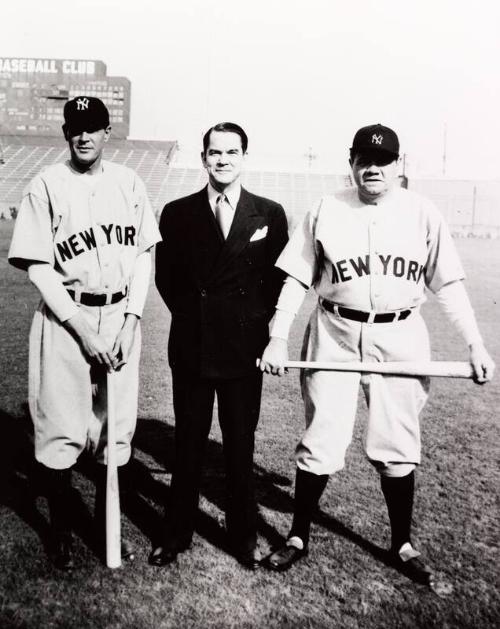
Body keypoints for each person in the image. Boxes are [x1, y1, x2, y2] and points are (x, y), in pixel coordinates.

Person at [258, 124, 495, 584]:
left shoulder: (422, 213)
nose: (373, 168)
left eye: (383, 161)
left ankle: (402, 543)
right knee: (321, 438)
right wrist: (277, 336)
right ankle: (298, 536)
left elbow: (447, 285)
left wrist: (475, 343)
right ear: (351, 162)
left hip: (401, 334)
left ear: (397, 165)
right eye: (365, 159)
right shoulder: (327, 208)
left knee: (397, 441)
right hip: (336, 330)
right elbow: (296, 279)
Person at [8, 96, 161, 570]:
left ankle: (102, 527)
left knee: (114, 427)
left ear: (107, 132)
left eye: (93, 127)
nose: (84, 136)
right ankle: (59, 533)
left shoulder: (129, 182)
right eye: (76, 127)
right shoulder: (47, 184)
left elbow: (142, 257)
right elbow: (38, 266)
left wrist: (133, 321)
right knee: (60, 426)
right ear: (65, 133)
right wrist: (81, 329)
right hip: (64, 319)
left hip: (119, 317)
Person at [152, 122, 288, 569]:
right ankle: (175, 534)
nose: (223, 159)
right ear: (203, 158)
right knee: (188, 445)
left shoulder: (268, 213)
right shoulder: (176, 212)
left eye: (232, 152)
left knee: (239, 445)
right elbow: (166, 279)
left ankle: (242, 535)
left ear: (244, 156)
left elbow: (275, 283)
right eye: (215, 152)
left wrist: (250, 326)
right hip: (192, 347)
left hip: (242, 352)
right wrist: (197, 319)